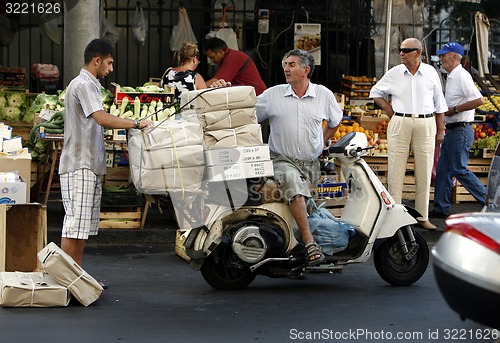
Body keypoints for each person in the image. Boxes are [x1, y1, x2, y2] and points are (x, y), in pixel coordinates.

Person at [58, 39, 153, 266]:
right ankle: (66, 279)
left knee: (81, 228)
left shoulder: (88, 85)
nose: (110, 69)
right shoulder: (84, 84)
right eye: (109, 63)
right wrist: (136, 123)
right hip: (80, 164)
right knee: (74, 227)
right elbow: (101, 118)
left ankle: (77, 277)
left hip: (87, 165)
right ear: (97, 60)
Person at [255, 49, 342, 265]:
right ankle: (310, 243)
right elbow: (247, 113)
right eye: (285, 64)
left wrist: (322, 141)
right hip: (281, 160)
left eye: (292, 64)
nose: (286, 68)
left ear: (306, 70)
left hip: (310, 165)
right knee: (294, 188)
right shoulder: (272, 95)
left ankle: (293, 250)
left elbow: (335, 121)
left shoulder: (324, 95)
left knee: (301, 203)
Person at [369, 38, 448, 230]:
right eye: (400, 50)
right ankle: (395, 217)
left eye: (406, 50)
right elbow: (375, 91)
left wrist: (441, 129)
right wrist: (389, 110)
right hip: (401, 121)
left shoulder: (430, 73)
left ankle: (423, 216)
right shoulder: (395, 72)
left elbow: (439, 103)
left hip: (426, 122)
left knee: (424, 169)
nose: (402, 53)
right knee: (395, 168)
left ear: (418, 52)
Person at [430, 42, 486, 218]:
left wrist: (454, 109)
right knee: (443, 170)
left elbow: (479, 100)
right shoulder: (453, 76)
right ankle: (441, 207)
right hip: (453, 130)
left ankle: (489, 201)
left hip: (460, 130)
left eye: (444, 55)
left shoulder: (461, 75)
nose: (440, 59)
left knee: (458, 170)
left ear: (455, 57)